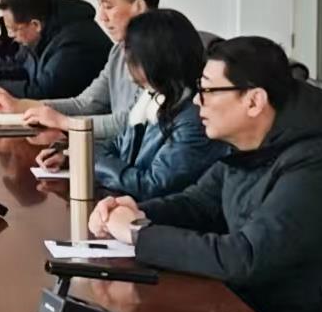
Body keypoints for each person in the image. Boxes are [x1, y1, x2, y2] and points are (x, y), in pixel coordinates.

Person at [90, 36, 322, 312]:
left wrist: (138, 233)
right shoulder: (251, 144)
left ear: (254, 101)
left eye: (208, 91)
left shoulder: (313, 162)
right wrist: (133, 210)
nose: (197, 101)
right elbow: (198, 204)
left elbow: (245, 257)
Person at [0, 0, 159, 163]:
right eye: (100, 6)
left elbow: (130, 122)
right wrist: (20, 105)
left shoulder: (162, 54)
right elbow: (86, 103)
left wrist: (64, 123)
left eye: (108, 6)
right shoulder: (119, 51)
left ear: (139, 7)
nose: (101, 17)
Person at [93, 10, 229, 200]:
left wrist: (93, 160)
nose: (127, 66)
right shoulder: (151, 98)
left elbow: (151, 185)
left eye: (131, 58)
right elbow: (117, 145)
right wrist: (76, 156)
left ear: (155, 58)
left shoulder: (194, 116)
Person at [0, 0, 110, 100]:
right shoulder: (43, 31)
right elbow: (24, 69)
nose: (11, 36)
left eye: (13, 29)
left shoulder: (74, 41)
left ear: (35, 25)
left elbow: (44, 92)